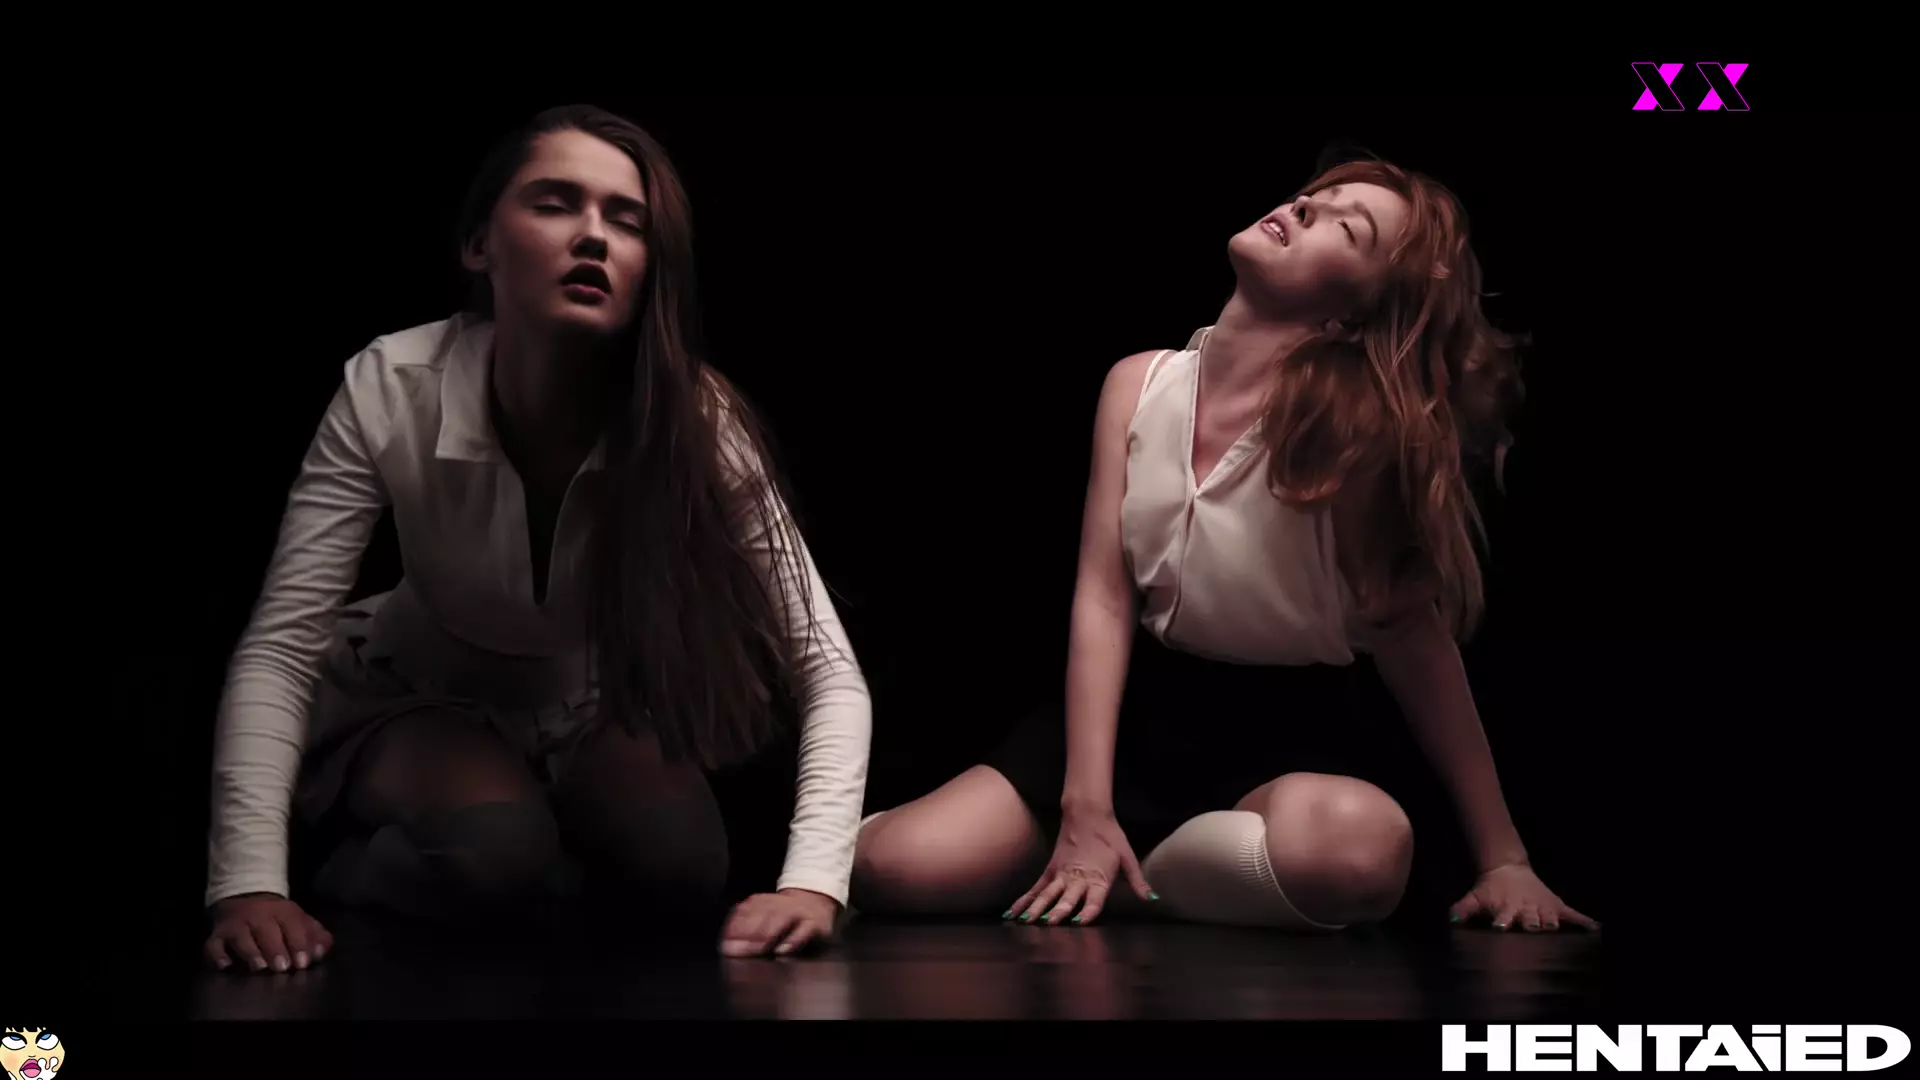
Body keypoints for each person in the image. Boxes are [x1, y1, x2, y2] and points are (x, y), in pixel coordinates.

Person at [200, 104, 871, 974]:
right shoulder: (390, 384)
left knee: (682, 866)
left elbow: (826, 666)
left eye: (626, 221)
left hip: (584, 707)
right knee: (493, 853)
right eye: (555, 203)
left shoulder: (697, 418)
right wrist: (250, 885)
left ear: (650, 266)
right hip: (415, 692)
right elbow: (282, 646)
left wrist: (814, 884)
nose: (593, 236)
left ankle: (539, 873)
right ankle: (367, 870)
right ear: (479, 243)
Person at [851, 154, 1595, 935]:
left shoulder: (1352, 441)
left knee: (1360, 855)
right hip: (1136, 719)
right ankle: (1144, 861)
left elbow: (1414, 639)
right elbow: (1104, 601)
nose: (1303, 208)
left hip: (1282, 742)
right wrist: (1086, 807)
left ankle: (1148, 880)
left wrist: (1504, 858)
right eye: (1314, 197)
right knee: (890, 867)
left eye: (1345, 227)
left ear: (1350, 317)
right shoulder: (1138, 385)